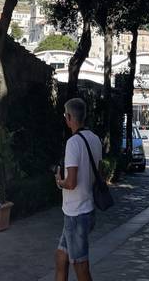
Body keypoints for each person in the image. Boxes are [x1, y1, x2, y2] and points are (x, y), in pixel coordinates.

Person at [54, 97, 103, 281]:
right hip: (86, 209)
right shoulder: (95, 139)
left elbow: (71, 182)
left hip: (76, 213)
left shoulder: (73, 143)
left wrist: (60, 181)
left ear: (68, 117)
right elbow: (98, 175)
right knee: (61, 257)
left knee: (81, 266)